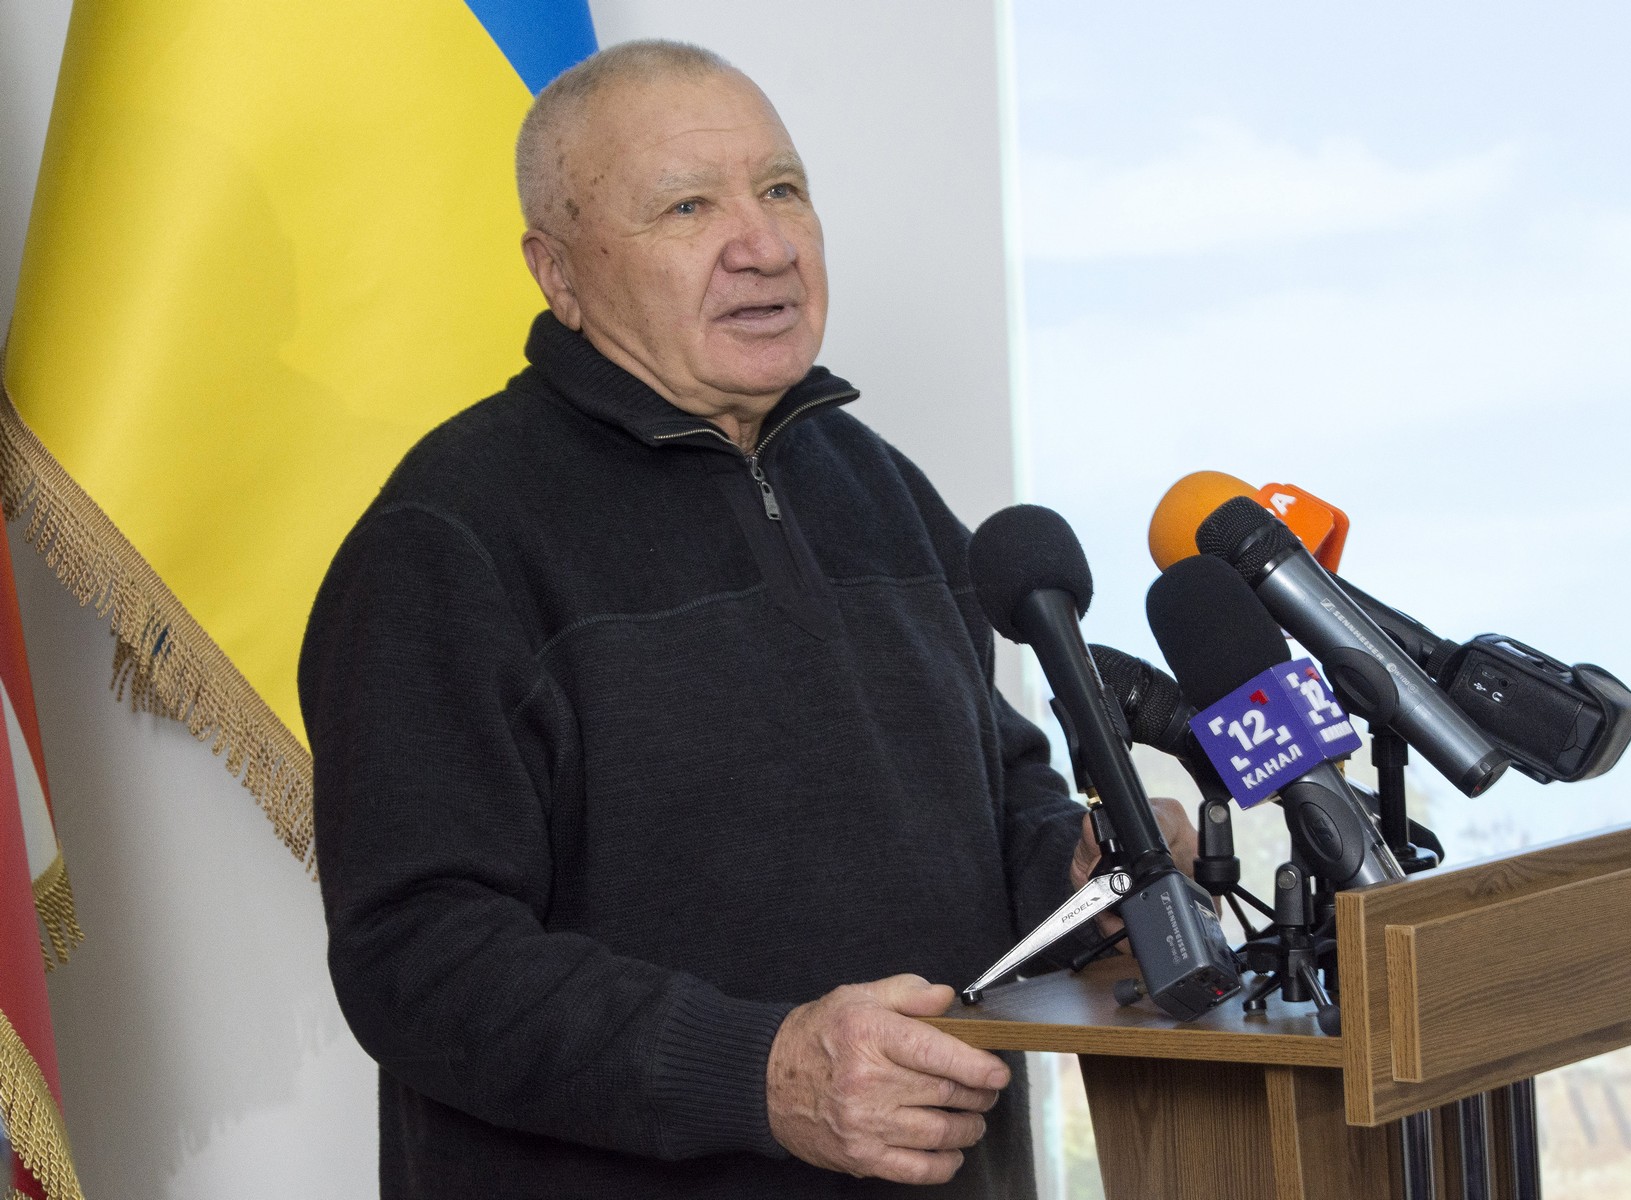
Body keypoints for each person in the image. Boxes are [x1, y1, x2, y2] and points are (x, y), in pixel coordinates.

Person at [300, 39, 1196, 1199]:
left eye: (782, 189)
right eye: (688, 206)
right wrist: (761, 1074)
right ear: (557, 272)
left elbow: (998, 810)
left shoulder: (885, 489)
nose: (765, 244)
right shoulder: (448, 537)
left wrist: (1079, 877)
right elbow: (416, 957)